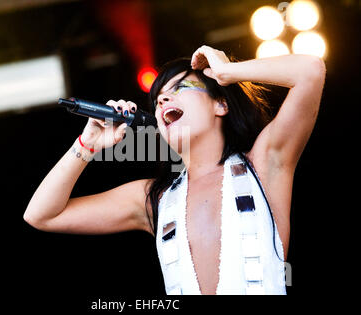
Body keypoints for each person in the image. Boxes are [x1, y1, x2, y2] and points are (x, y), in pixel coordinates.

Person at [23, 45, 326, 295]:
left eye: (181, 87)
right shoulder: (156, 198)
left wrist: (226, 72)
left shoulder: (264, 164)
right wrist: (87, 143)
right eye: (158, 99)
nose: (164, 99)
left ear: (221, 105)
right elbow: (42, 214)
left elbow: (311, 71)